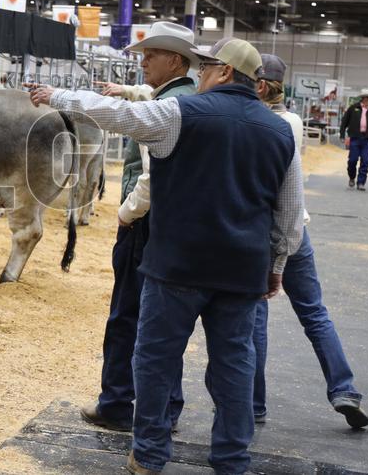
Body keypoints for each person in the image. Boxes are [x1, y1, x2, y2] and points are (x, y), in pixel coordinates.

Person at [27, 38, 304, 475]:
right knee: (233, 365)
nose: (199, 74)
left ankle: (150, 455)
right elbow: (289, 213)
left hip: (177, 264)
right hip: (241, 268)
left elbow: (117, 115)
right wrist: (277, 266)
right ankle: (231, 459)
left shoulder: (182, 114)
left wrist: (58, 96)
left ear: (226, 73)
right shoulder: (281, 130)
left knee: (156, 360)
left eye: (207, 66)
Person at [78, 21, 198, 433]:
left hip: (144, 225)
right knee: (166, 320)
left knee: (127, 314)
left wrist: (127, 212)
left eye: (151, 55)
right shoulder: (188, 98)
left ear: (176, 60)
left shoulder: (162, 109)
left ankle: (115, 402)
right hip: (176, 227)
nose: (143, 61)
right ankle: (167, 408)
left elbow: (150, 173)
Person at [253, 55, 368, 430]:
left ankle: (254, 405)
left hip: (263, 231)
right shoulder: (294, 121)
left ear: (257, 85)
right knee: (315, 313)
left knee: (256, 317)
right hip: (298, 228)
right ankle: (344, 389)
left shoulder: (260, 123)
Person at [339, 88, 368, 191]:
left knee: (365, 161)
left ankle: (361, 182)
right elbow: (344, 122)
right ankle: (352, 177)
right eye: (366, 97)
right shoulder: (353, 108)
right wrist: (342, 135)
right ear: (362, 98)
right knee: (352, 160)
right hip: (355, 138)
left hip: (367, 139)